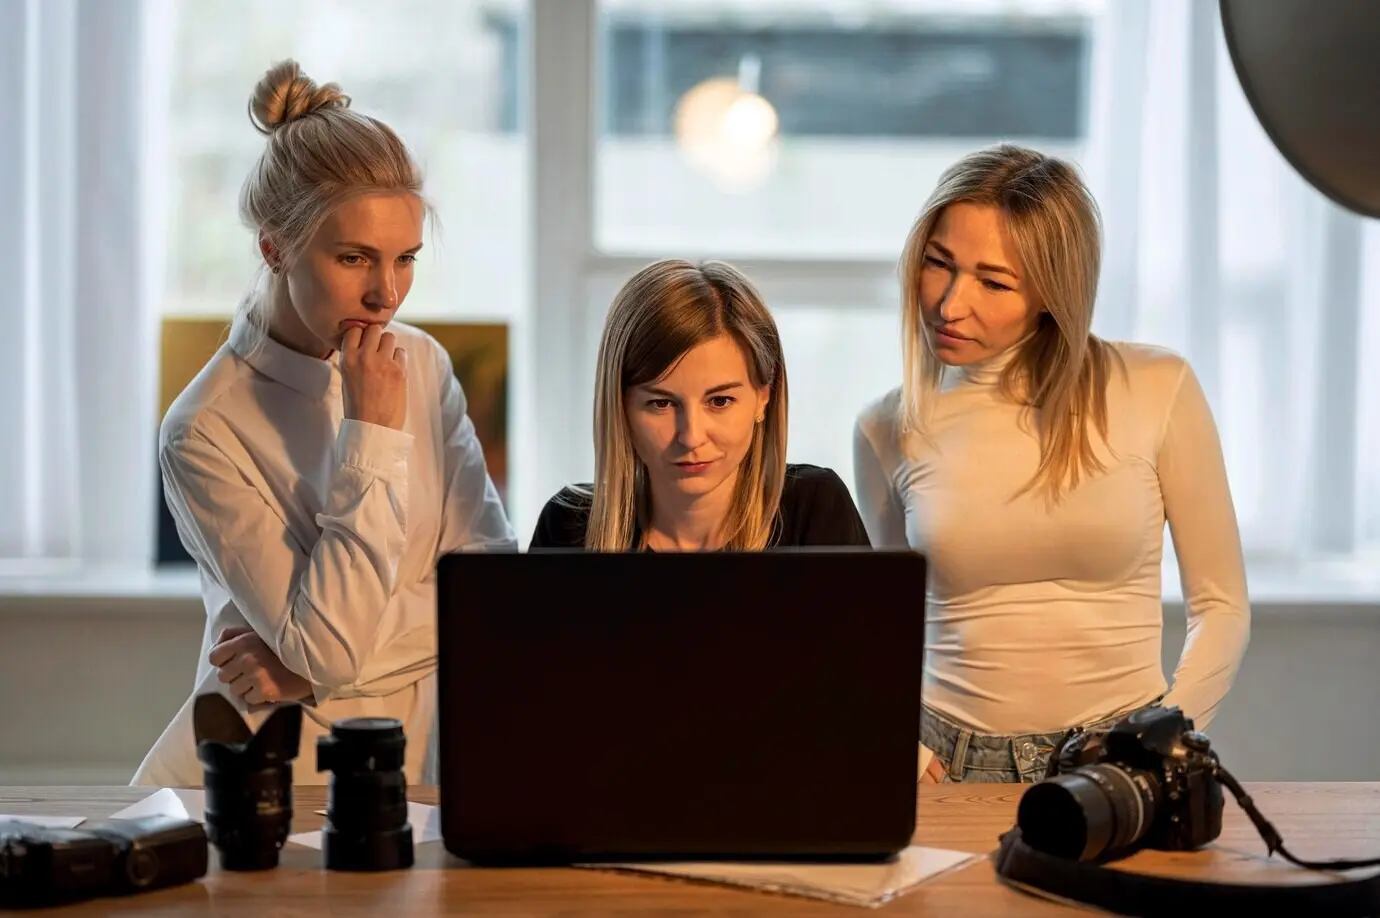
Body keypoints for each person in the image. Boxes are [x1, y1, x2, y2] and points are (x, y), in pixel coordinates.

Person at [132, 60, 515, 787]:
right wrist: (371, 438)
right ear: (274, 248)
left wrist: (306, 669)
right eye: (353, 258)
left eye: (405, 259)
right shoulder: (203, 430)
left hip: (433, 761)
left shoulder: (426, 367)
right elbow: (333, 648)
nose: (387, 293)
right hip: (277, 777)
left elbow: (488, 600)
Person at [852, 144, 1250, 783]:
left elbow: (1222, 605)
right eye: (938, 263)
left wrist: (1162, 736)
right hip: (944, 766)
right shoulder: (885, 428)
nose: (951, 304)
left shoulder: (1156, 386)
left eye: (994, 281)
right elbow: (882, 629)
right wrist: (906, 743)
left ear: (1050, 290)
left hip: (1123, 755)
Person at [531, 258, 870, 551]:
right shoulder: (567, 529)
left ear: (764, 396)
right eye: (661, 404)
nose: (691, 437)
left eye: (720, 401)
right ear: (619, 407)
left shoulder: (815, 509)